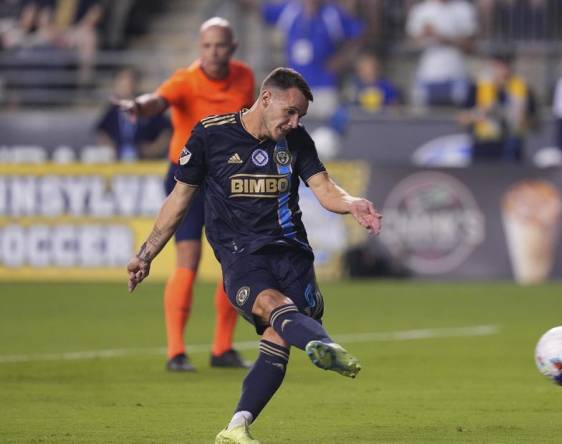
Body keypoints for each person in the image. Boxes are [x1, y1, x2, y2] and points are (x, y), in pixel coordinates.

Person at [126, 67, 383, 444]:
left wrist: (353, 203)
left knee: (279, 338)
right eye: (290, 112)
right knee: (269, 303)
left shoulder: (295, 140)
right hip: (240, 253)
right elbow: (178, 201)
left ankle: (236, 427)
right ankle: (323, 344)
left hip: (291, 252)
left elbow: (325, 189)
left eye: (301, 116)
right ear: (266, 98)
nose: (295, 122)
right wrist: (146, 254)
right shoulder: (210, 136)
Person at [117, 17, 256, 372]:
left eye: (220, 45)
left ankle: (222, 349)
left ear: (233, 48)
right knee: (188, 260)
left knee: (234, 262)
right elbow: (157, 101)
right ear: (199, 47)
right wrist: (139, 106)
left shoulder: (245, 78)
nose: (213, 52)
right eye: (207, 45)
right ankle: (176, 352)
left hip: (228, 180)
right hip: (187, 179)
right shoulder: (185, 80)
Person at [262, 0, 364, 118]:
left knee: (324, 133)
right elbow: (261, 10)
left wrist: (341, 59)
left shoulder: (332, 14)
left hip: (323, 87)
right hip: (293, 89)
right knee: (292, 131)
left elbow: (359, 33)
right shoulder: (289, 10)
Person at [457, 50, 538, 162]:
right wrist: (480, 113)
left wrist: (522, 118)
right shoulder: (477, 87)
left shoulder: (522, 89)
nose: (502, 70)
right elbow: (461, 119)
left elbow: (535, 123)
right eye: (498, 65)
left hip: (512, 146)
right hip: (484, 147)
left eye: (505, 65)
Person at [406, 0, 478, 107]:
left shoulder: (463, 8)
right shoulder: (422, 9)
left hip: (456, 74)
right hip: (428, 75)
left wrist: (443, 38)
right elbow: (410, 43)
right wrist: (423, 35)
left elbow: (471, 45)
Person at [95, 68, 171, 161]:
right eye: (122, 82)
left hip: (144, 160)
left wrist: (155, 149)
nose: (126, 85)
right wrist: (110, 149)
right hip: (118, 159)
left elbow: (166, 130)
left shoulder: (148, 105)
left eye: (129, 81)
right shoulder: (112, 110)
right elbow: (102, 132)